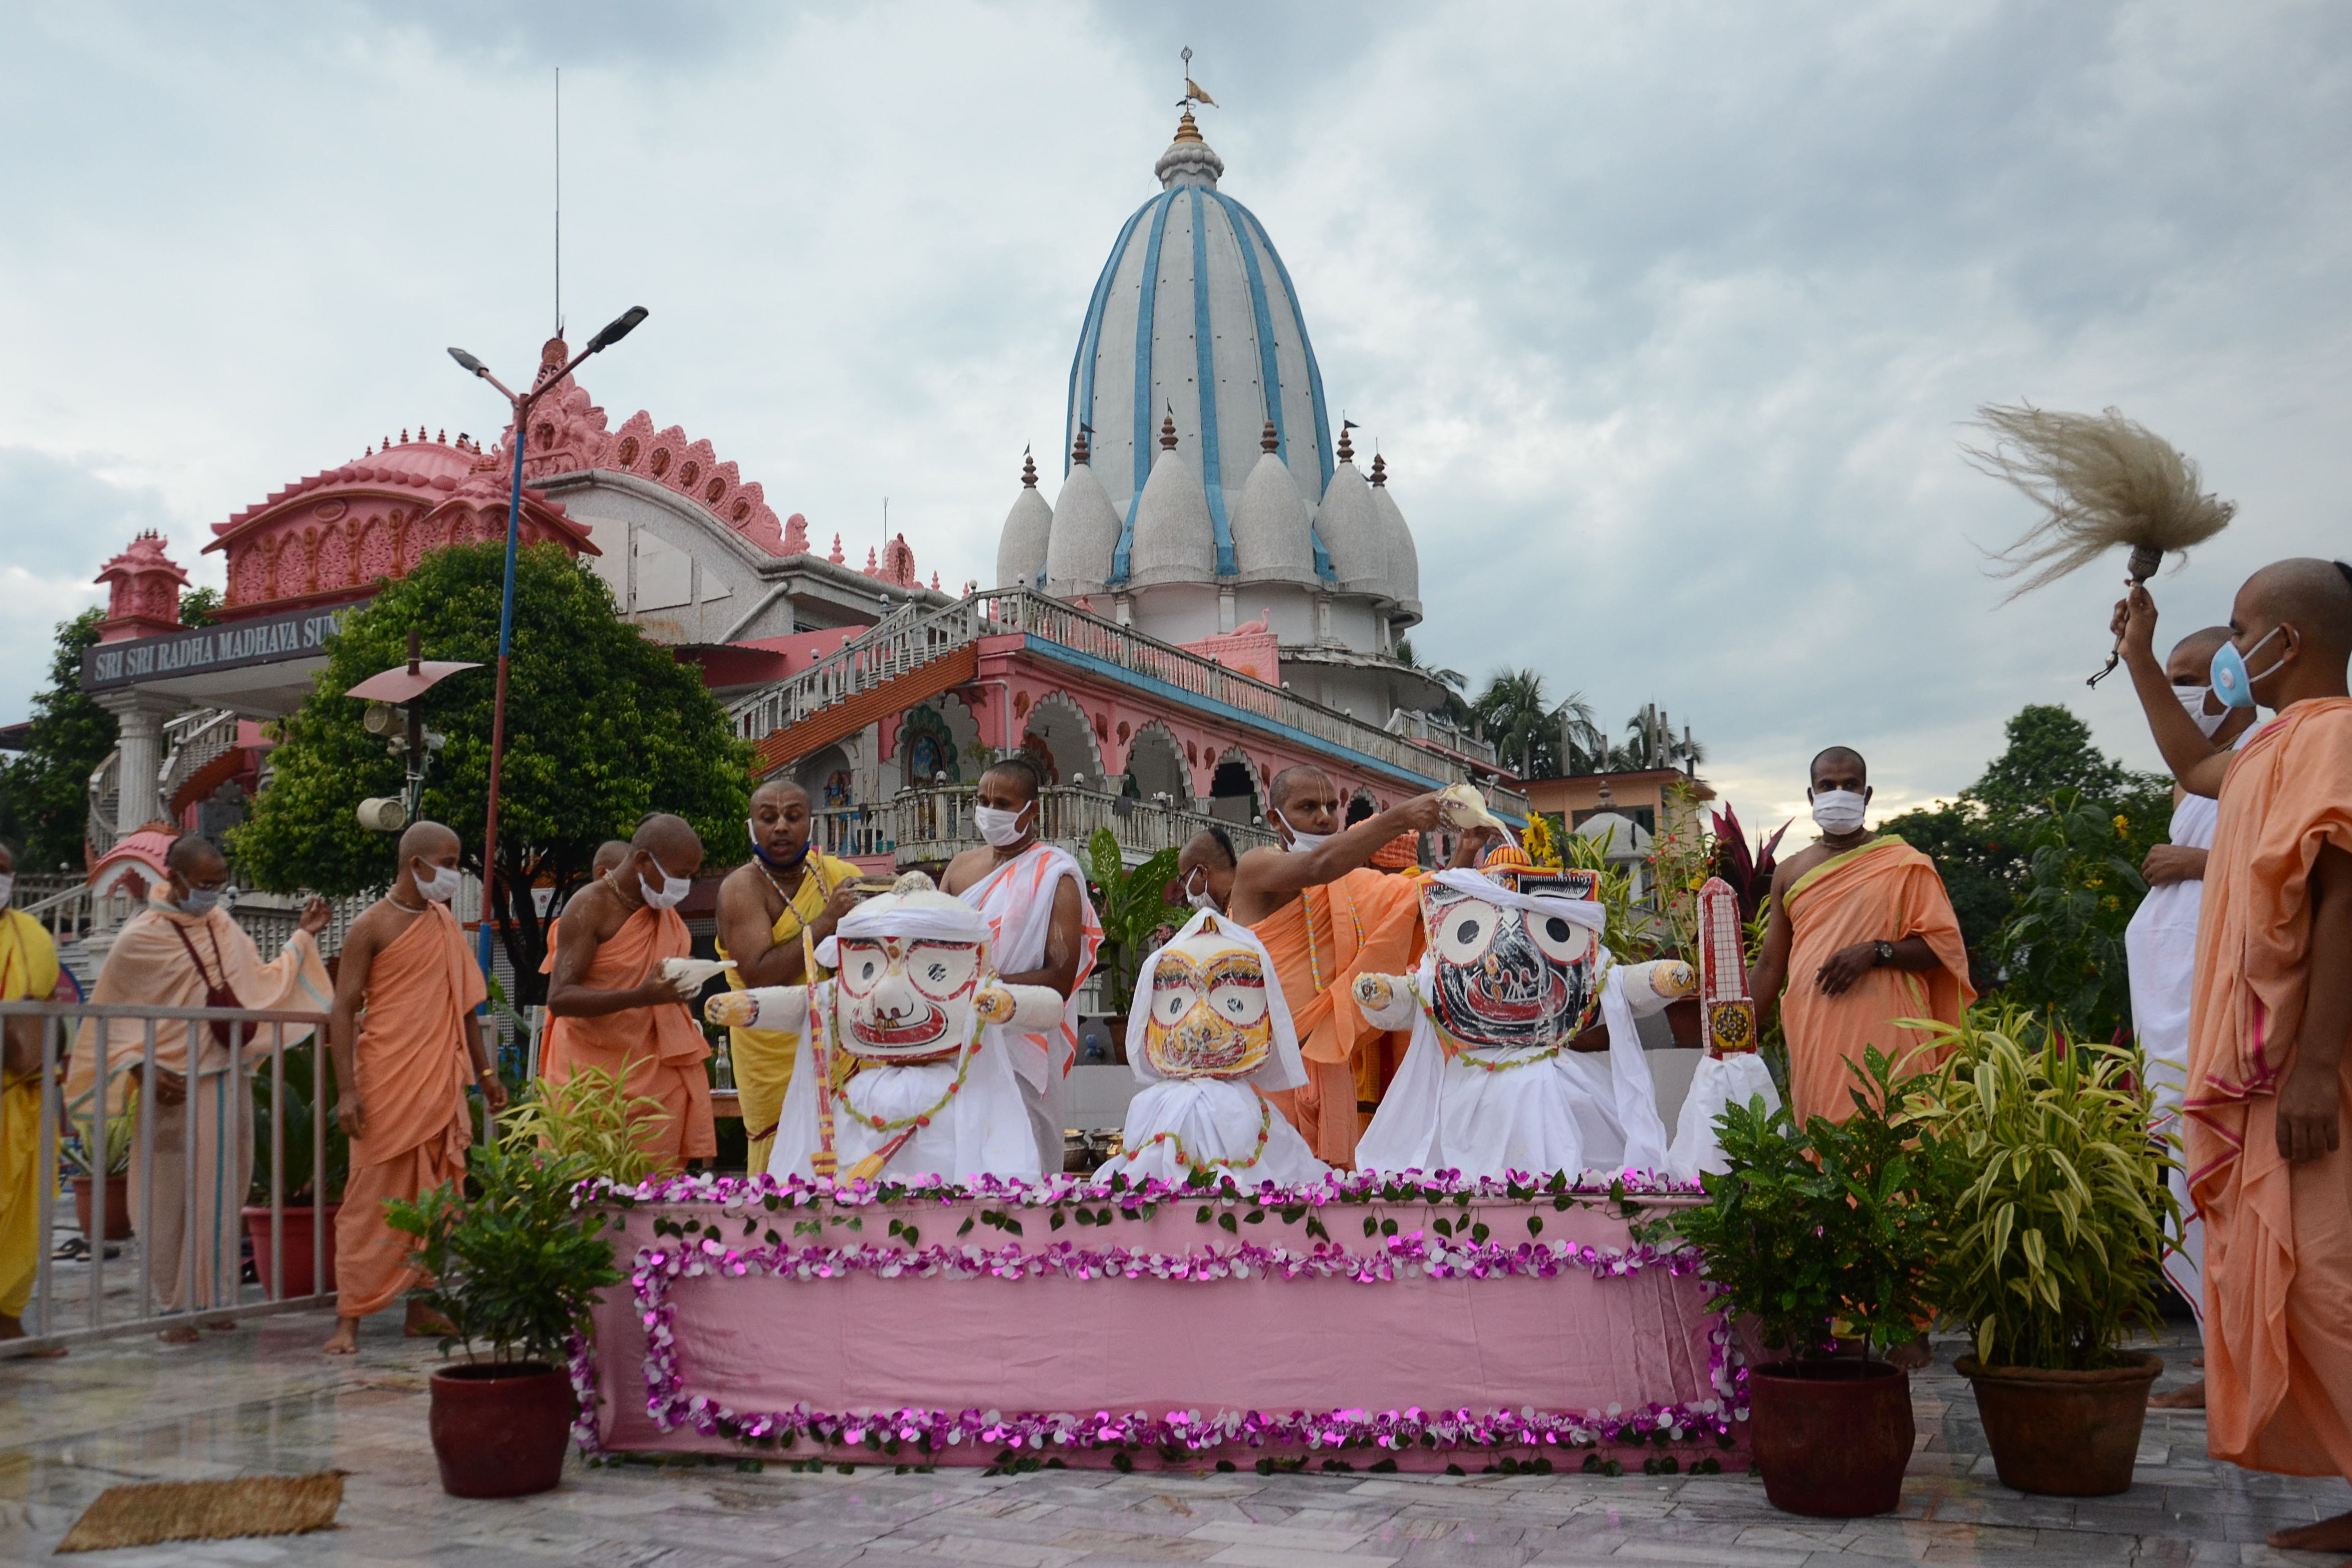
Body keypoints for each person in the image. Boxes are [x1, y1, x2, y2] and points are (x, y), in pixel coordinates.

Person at [2114, 560, 2352, 1554]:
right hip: (2264, 1076)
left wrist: (2308, 1068)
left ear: (2283, 643)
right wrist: (2135, 654)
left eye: (2239, 627)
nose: (2229, 647)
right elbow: (2193, 765)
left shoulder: (2334, 736)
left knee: (2330, 1276)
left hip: (2308, 1071)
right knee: (2298, 1277)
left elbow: (2342, 899)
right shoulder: (2270, 747)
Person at [66, 835, 331, 1342]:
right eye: (203, 883)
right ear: (174, 877)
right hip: (174, 1088)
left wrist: (302, 937)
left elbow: (259, 984)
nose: (211, 892)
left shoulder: (223, 926)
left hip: (227, 1081)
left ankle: (212, 1300)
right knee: (171, 1196)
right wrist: (141, 1067)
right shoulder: (138, 938)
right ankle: (175, 1307)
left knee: (225, 1191)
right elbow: (112, 1021)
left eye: (219, 882)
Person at [2120, 626, 2257, 1410]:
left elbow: (2299, 860)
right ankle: (2220, 1366)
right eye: (2164, 675)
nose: (2174, 692)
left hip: (2232, 1007)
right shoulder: (2191, 781)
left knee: (2237, 1184)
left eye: (2188, 677)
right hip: (2175, 1009)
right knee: (2191, 1183)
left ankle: (2248, 1374)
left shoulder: (2271, 753)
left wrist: (2198, 863)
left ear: (2234, 681)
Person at [322, 822, 504, 1355]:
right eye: (447, 861)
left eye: (457, 860)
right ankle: (348, 1320)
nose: (454, 871)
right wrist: (346, 1091)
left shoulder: (444, 923)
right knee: (368, 1200)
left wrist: (487, 1074)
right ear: (415, 865)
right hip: (386, 1078)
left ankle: (422, 1307)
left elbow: (466, 1008)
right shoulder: (370, 926)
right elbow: (343, 1008)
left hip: (438, 1082)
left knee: (438, 1195)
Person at [1226, 768, 1455, 1165]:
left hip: (1327, 1063)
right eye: (1307, 807)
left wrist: (1472, 859)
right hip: (1267, 1065)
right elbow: (1319, 865)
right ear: (1274, 818)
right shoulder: (1255, 867)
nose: (1324, 818)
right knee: (1264, 1186)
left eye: (1332, 807)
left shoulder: (1350, 885)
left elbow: (1418, 898)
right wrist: (1400, 817)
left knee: (1330, 1194)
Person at [1748, 747, 1974, 1127]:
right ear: (1811, 796)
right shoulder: (1789, 872)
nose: (1839, 793)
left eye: (1850, 785)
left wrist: (1875, 952)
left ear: (1866, 795)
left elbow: (1941, 947)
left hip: (1889, 1029)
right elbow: (1771, 965)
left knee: (1897, 1134)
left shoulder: (1903, 862)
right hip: (1816, 1031)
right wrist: (1731, 1037)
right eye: (1828, 785)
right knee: (1826, 1142)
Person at [941, 758, 1101, 1172]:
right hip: (957, 1042)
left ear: (1031, 810)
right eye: (982, 801)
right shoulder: (960, 870)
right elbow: (933, 950)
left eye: (1002, 803)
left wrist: (979, 992)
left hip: (1023, 1043)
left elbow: (1058, 979)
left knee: (1025, 1165)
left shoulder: (1057, 875)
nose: (988, 811)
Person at [543, 815, 715, 1173]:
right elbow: (559, 999)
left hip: (656, 1081)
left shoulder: (663, 914)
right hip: (592, 1082)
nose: (684, 886)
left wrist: (684, 984)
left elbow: (659, 989)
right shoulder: (590, 906)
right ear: (642, 862)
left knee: (656, 1206)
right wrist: (641, 996)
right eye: (680, 875)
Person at [715, 780, 864, 1172]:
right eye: (768, 818)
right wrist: (828, 921)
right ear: (752, 826)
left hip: (843, 1052)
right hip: (772, 1057)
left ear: (811, 824)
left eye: (793, 817)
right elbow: (760, 975)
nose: (780, 826)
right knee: (783, 1175)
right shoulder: (741, 889)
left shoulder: (839, 875)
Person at [2, 841, 71, 1348]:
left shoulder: (31, 935)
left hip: (23, 1095)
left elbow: (49, 1018)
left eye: (5, 870)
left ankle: (8, 1318)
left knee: (27, 1212)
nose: (2, 878)